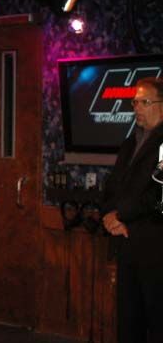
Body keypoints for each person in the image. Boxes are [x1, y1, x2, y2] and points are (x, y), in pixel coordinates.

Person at [101, 76, 163, 343]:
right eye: (135, 102)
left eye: (144, 102)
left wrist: (122, 215)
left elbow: (158, 196)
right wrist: (108, 215)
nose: (136, 107)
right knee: (128, 323)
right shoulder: (130, 143)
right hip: (126, 246)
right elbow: (112, 185)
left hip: (155, 249)